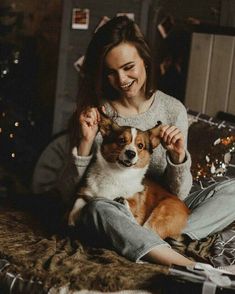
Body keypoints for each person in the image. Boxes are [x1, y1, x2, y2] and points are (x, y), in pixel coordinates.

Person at [32, 16, 235, 267]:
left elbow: (179, 195)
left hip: (163, 204)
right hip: (117, 209)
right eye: (111, 72)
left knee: (232, 190)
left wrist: (178, 157)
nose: (122, 79)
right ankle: (178, 259)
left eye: (129, 67)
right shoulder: (98, 115)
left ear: (145, 62)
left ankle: (154, 240)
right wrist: (85, 143)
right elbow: (65, 194)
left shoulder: (173, 110)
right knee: (97, 209)